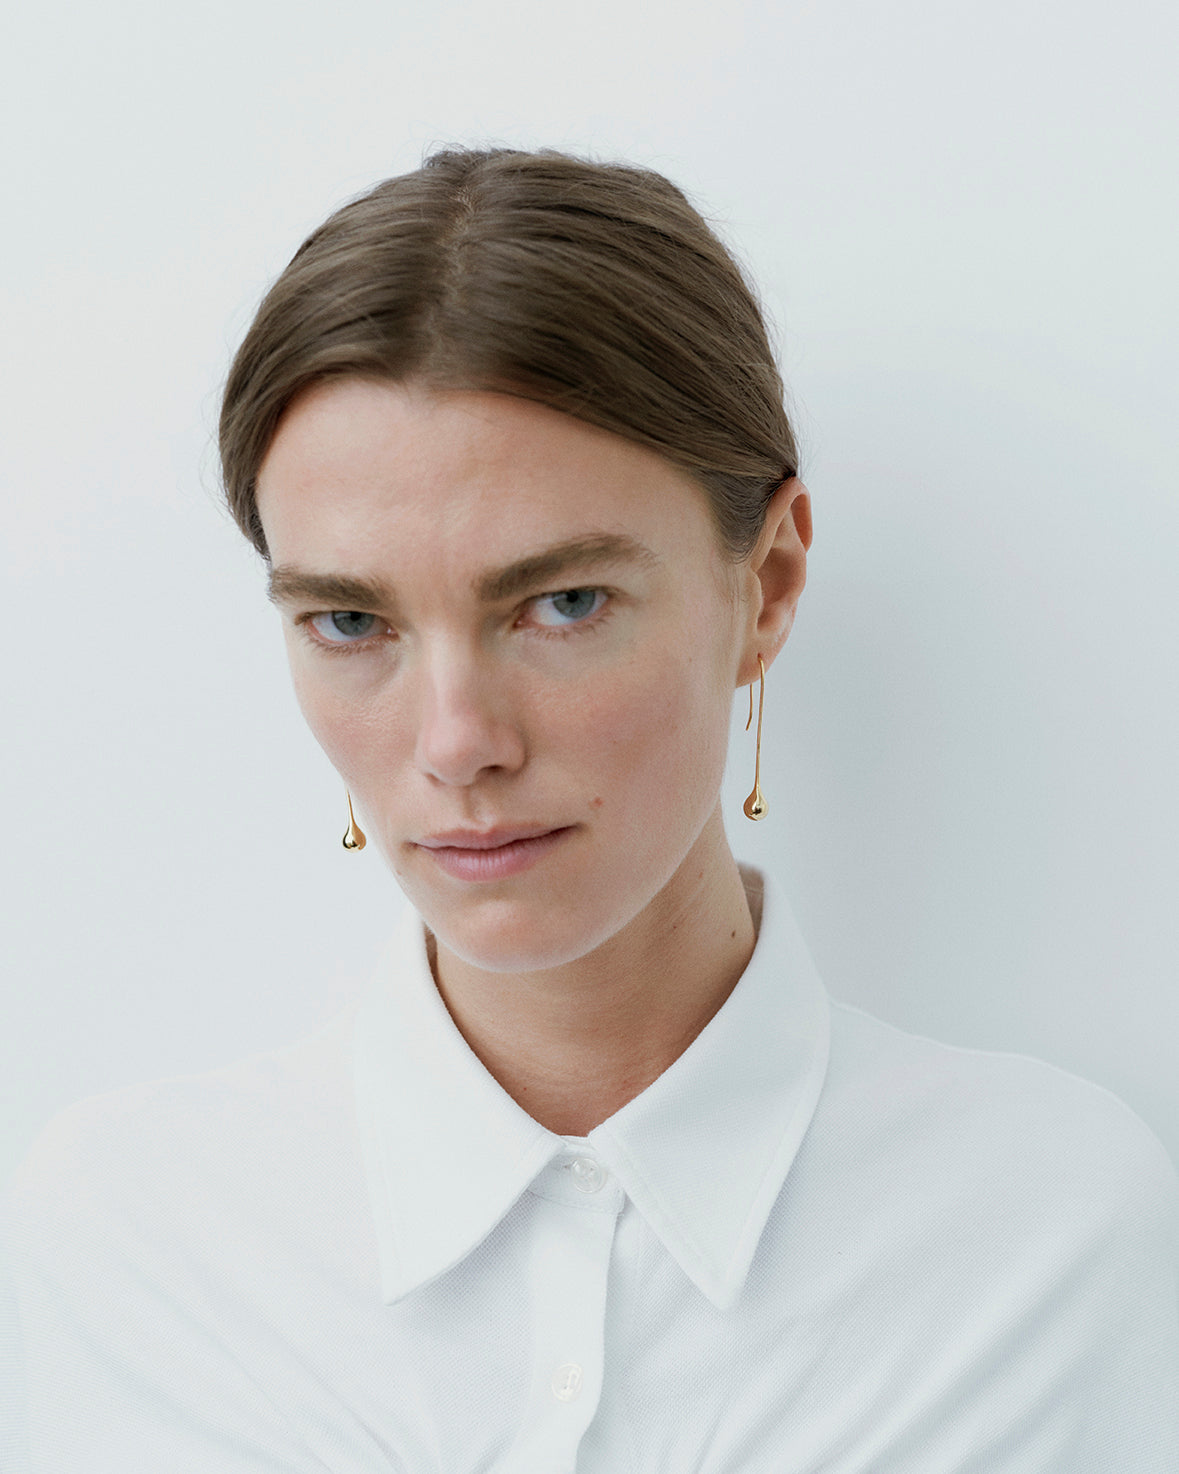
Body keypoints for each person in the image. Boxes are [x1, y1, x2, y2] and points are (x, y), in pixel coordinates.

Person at [2, 146, 1177, 1473]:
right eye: (351, 621)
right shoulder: (132, 1249)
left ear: (767, 585)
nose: (457, 743)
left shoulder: (1048, 1239)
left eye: (561, 604)